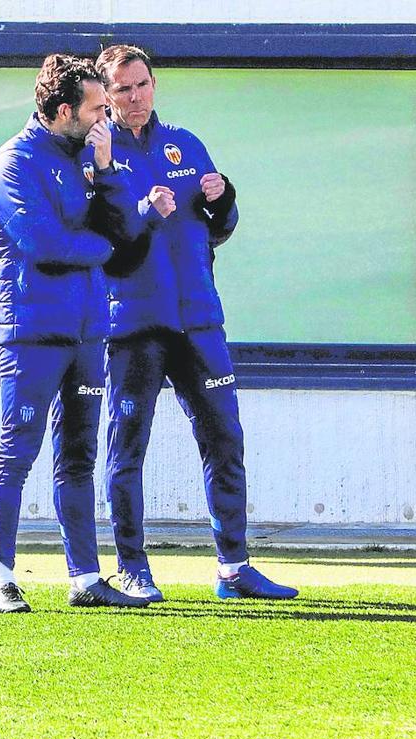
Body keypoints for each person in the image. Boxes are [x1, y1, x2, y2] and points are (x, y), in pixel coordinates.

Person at [91, 44, 297, 602]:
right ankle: (133, 568)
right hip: (135, 322)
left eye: (142, 85)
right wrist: (140, 211)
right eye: (123, 90)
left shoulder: (186, 142)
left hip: (200, 318)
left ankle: (234, 567)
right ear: (106, 97)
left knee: (225, 439)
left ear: (154, 83)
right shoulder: (97, 157)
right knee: (128, 447)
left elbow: (217, 227)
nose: (135, 98)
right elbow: (99, 241)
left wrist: (223, 197)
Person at [0, 54, 150, 612]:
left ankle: (84, 577)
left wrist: (105, 171)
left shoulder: (89, 156)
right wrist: (104, 250)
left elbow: (128, 225)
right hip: (32, 332)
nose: (109, 115)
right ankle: (0, 578)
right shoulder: (13, 163)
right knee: (18, 452)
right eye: (98, 107)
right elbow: (45, 245)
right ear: (62, 110)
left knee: (77, 455)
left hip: (87, 333)